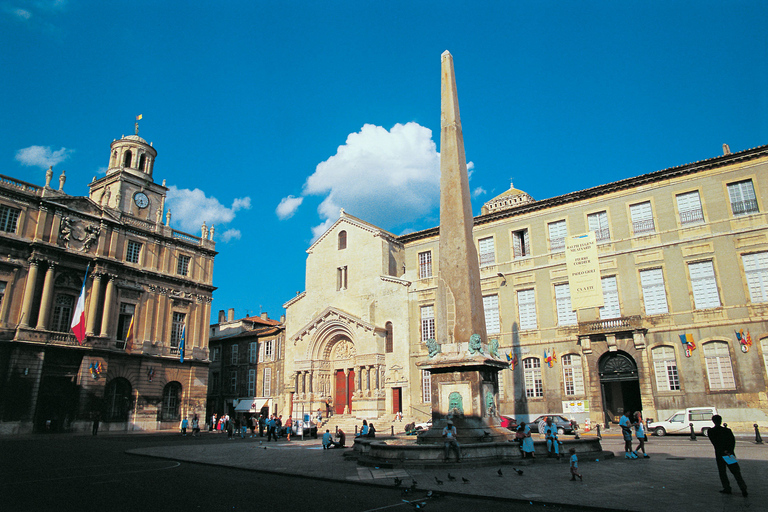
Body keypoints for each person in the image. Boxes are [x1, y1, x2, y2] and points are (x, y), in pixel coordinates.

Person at [708, 415, 747, 497]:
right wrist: (729, 451)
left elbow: (715, 443)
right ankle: (743, 488)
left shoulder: (711, 431)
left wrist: (722, 450)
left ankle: (727, 488)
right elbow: (732, 442)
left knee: (722, 472)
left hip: (719, 454)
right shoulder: (727, 430)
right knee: (736, 472)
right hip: (729, 454)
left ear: (713, 421)